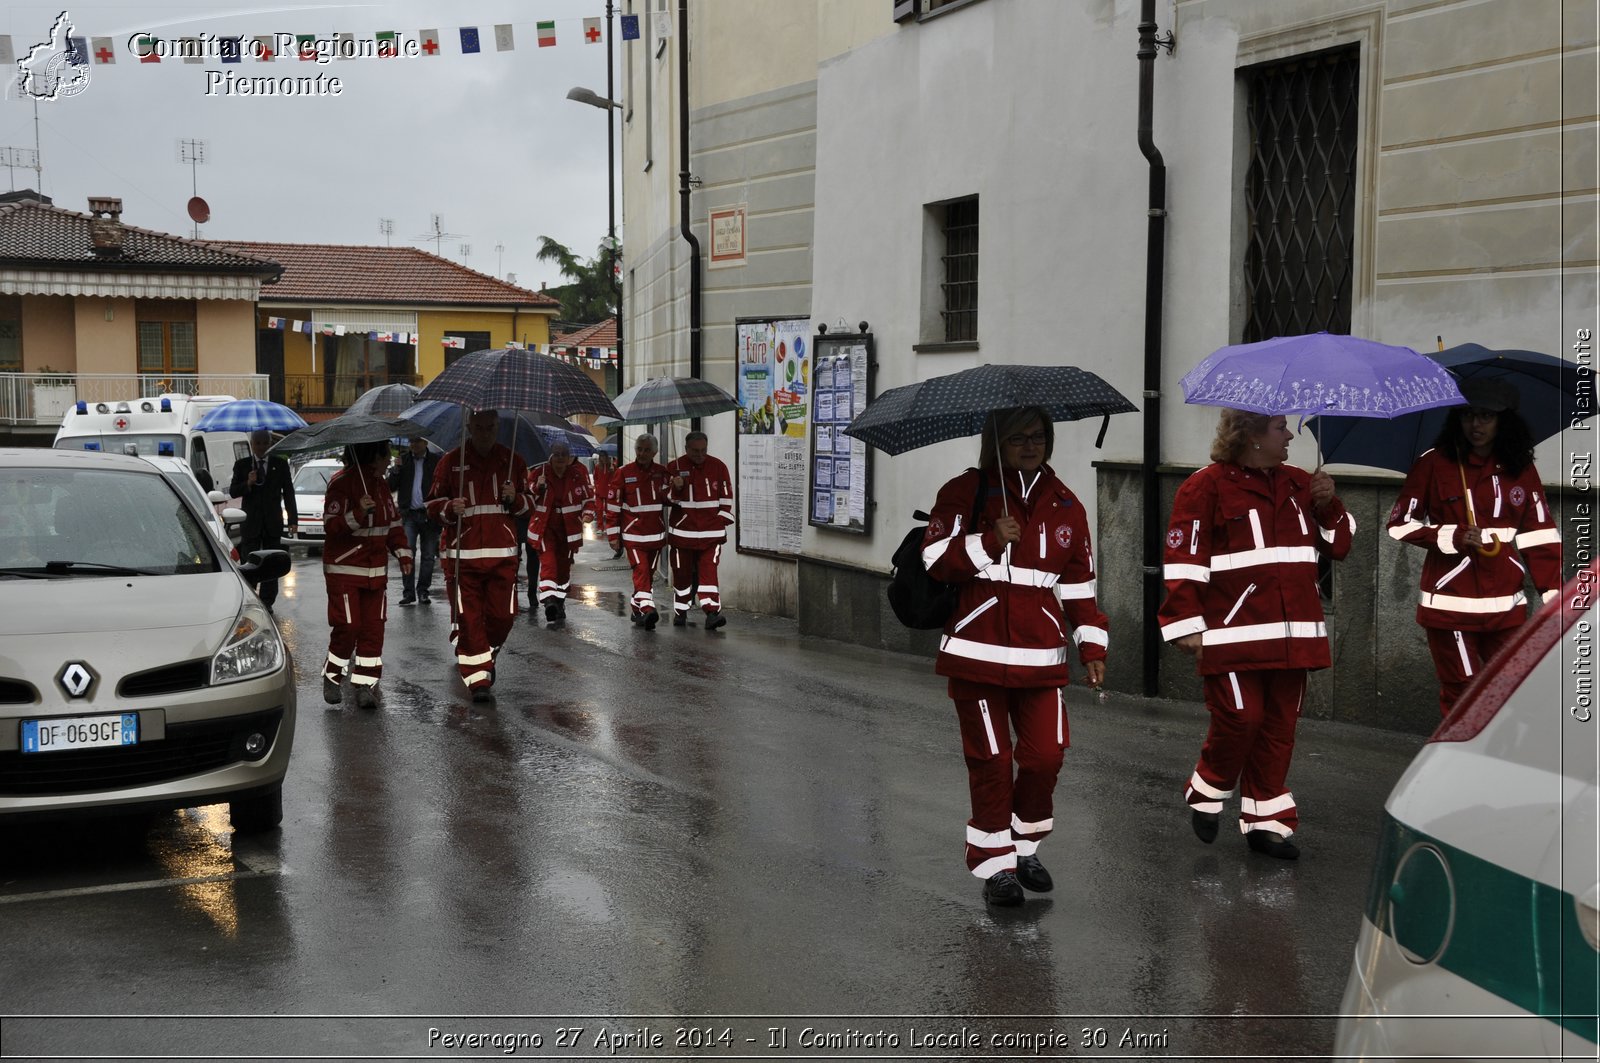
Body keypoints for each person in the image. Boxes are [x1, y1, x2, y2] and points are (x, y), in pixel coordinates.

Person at [921, 406, 1108, 907]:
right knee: (992, 762)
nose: (1030, 445)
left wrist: (1091, 644)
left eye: (1039, 436)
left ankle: (1025, 846)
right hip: (975, 657)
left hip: (1041, 658)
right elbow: (934, 560)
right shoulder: (966, 491)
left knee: (1046, 756)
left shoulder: (1066, 503)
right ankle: (996, 867)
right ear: (996, 443)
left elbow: (1080, 586)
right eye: (1018, 438)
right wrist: (987, 540)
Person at [1159, 408, 1355, 861]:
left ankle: (1267, 821)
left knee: (1278, 728)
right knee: (1241, 719)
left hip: (1294, 635)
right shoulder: (1204, 485)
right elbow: (1185, 555)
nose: (1290, 434)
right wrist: (1185, 620)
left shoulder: (1301, 483)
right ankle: (1207, 790)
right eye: (1280, 427)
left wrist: (1330, 504)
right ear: (1250, 436)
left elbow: (1340, 545)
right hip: (1231, 633)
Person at [1386, 379, 1562, 717]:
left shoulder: (1520, 469)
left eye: (1486, 416)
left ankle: (1498, 763)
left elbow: (1539, 534)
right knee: (1463, 692)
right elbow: (1398, 524)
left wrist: (1555, 597)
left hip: (1505, 609)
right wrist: (1451, 536)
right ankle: (1455, 763)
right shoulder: (1433, 464)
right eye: (1467, 415)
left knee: (1510, 688)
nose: (1476, 425)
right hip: (1450, 607)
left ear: (1504, 421)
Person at [426, 409, 532, 702]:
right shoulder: (451, 462)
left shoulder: (513, 462)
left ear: (498, 427)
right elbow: (432, 505)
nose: (485, 432)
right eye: (479, 427)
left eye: (490, 427)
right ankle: (478, 681)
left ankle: (486, 653)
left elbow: (531, 506)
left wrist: (517, 499)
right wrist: (449, 508)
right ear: (469, 427)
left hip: (503, 557)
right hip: (464, 558)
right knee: (469, 620)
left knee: (503, 617)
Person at [321, 442, 412, 709]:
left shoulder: (382, 485)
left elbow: (393, 523)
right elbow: (331, 525)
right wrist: (358, 512)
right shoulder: (341, 483)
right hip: (345, 570)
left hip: (376, 572)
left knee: (373, 631)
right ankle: (332, 676)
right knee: (348, 627)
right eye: (387, 454)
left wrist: (403, 552)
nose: (390, 459)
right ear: (374, 456)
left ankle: (365, 685)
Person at [665, 431, 735, 628]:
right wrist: (676, 487)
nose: (699, 455)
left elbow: (726, 496)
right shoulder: (674, 468)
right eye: (695, 451)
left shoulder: (718, 467)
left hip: (711, 534)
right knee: (681, 574)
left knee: (708, 573)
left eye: (703, 450)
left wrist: (720, 519)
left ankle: (712, 612)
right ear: (686, 449)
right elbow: (666, 499)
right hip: (682, 534)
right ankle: (681, 610)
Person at [606, 433, 673, 628]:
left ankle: (637, 606)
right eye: (639, 449)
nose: (642, 453)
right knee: (641, 571)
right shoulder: (623, 473)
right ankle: (647, 608)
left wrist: (676, 487)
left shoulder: (662, 473)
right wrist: (613, 535)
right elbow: (613, 506)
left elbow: (671, 499)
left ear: (655, 452)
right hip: (633, 534)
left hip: (655, 535)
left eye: (646, 450)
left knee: (647, 574)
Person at [228, 429, 298, 611]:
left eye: (264, 443)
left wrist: (293, 519)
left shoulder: (280, 464)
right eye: (257, 443)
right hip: (250, 523)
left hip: (272, 522)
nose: (261, 447)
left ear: (270, 444)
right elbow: (234, 491)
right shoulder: (242, 465)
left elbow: (288, 493)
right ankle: (250, 598)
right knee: (249, 562)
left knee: (271, 563)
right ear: (252, 445)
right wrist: (248, 483)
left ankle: (267, 602)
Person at [527, 441, 595, 623]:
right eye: (556, 455)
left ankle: (559, 601)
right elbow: (527, 494)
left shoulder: (577, 475)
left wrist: (588, 514)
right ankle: (548, 600)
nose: (560, 459)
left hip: (568, 529)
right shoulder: (540, 472)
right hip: (545, 527)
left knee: (563, 570)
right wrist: (538, 487)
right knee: (549, 563)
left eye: (563, 455)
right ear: (551, 456)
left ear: (569, 458)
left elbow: (588, 499)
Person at [387, 437, 441, 606]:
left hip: (429, 515)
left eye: (417, 441)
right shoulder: (403, 460)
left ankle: (423, 591)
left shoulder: (436, 461)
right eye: (411, 441)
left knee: (428, 556)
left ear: (426, 443)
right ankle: (408, 592)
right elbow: (390, 486)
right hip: (409, 514)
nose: (413, 445)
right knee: (407, 552)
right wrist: (396, 469)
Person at [592, 449, 621, 558]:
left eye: (604, 457)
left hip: (608, 491)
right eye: (601, 457)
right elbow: (595, 477)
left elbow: (616, 476)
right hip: (600, 491)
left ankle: (609, 528)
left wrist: (613, 469)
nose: (603, 459)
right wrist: (597, 485)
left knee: (609, 510)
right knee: (599, 509)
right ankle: (600, 527)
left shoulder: (612, 466)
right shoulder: (597, 467)